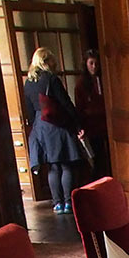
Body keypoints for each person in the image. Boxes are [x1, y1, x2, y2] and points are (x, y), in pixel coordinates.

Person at [23, 47, 87, 214]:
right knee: (66, 164)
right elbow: (65, 104)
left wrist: (35, 128)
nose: (54, 63)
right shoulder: (51, 80)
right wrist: (78, 124)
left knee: (53, 166)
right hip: (56, 124)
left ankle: (56, 203)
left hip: (40, 125)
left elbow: (29, 109)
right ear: (45, 61)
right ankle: (67, 202)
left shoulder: (28, 82)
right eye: (52, 60)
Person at [73, 48, 110, 180]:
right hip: (92, 126)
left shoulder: (104, 79)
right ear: (86, 64)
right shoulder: (81, 84)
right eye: (91, 63)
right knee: (97, 158)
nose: (94, 67)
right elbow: (80, 108)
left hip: (106, 123)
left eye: (96, 63)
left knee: (109, 156)